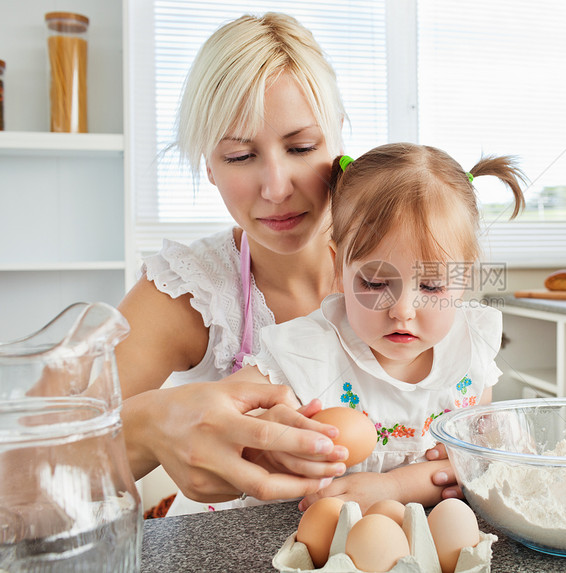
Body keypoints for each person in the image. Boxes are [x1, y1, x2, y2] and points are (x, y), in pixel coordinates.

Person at [117, 13, 457, 509]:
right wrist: (148, 427)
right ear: (207, 165)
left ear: (338, 139)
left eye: (301, 147)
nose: (276, 188)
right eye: (238, 156)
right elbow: (22, 462)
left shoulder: (416, 258)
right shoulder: (190, 292)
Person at [167, 142, 526, 515]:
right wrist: (267, 439)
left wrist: (394, 486)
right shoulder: (309, 351)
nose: (402, 310)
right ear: (338, 269)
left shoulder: (471, 354)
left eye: (432, 286)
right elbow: (210, 425)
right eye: (374, 283)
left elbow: (469, 467)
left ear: (463, 278)